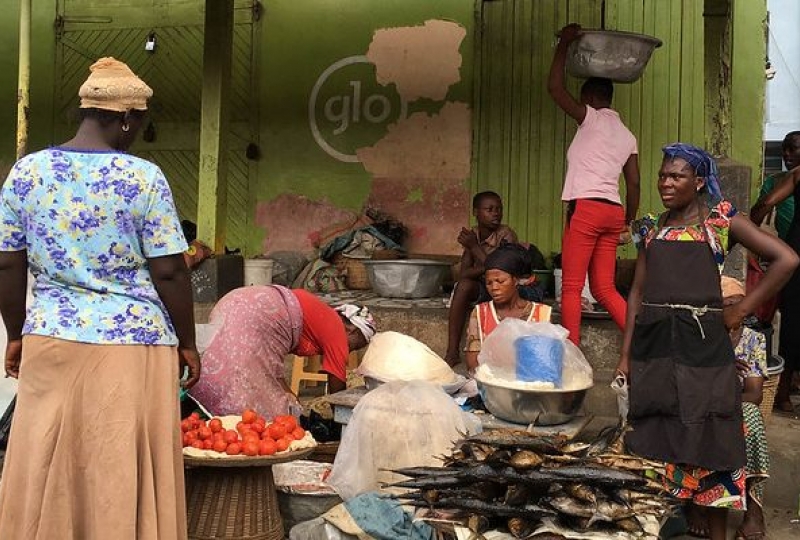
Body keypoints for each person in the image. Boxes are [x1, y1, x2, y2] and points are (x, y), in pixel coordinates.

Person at [0, 57, 200, 538]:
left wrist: (15, 333)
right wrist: (188, 342)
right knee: (118, 462)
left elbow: (7, 262)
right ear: (127, 117)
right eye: (139, 125)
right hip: (133, 345)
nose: (137, 135)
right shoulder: (143, 178)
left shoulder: (27, 172)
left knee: (48, 459)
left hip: (51, 335)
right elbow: (170, 270)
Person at [618, 143, 798, 540]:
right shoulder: (650, 227)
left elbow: (787, 259)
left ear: (698, 182)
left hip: (703, 348)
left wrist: (740, 309)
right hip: (655, 346)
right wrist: (626, 354)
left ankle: (719, 530)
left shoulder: (722, 221)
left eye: (676, 176)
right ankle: (664, 520)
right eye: (663, 175)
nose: (666, 182)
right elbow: (637, 293)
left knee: (712, 437)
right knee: (657, 433)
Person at [548, 23, 640, 346]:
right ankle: (640, 342)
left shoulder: (590, 118)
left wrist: (564, 44)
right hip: (612, 213)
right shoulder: (628, 136)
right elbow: (635, 183)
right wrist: (628, 220)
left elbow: (555, 89)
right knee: (604, 288)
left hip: (586, 209)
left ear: (589, 98)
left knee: (572, 287)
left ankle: (571, 353)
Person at [190, 285, 375, 419]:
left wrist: (289, 395)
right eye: (355, 346)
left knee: (236, 375)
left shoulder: (319, 320)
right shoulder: (336, 328)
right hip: (255, 314)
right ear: (352, 330)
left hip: (236, 302)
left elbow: (273, 368)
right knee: (249, 395)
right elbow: (337, 387)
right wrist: (342, 421)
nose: (349, 350)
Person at [445, 191, 519, 364]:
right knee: (463, 286)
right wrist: (485, 266)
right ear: (476, 212)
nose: (496, 213)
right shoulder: (474, 233)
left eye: (499, 209)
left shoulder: (506, 234)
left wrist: (474, 247)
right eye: (490, 209)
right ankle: (452, 352)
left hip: (503, 289)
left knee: (489, 279)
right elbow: (463, 273)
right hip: (482, 287)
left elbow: (501, 271)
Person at [751, 164, 800, 413]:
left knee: (793, 323)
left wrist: (750, 236)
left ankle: (782, 394)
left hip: (796, 251)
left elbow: (766, 203)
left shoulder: (797, 174)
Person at [464, 244, 552, 374]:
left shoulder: (541, 314)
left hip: (529, 386)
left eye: (500, 281)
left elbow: (545, 363)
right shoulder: (480, 313)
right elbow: (473, 365)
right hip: (490, 385)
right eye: (489, 283)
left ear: (515, 280)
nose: (494, 287)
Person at [758, 131, 799, 241]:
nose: (786, 153)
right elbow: (760, 210)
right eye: (784, 149)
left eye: (792, 149)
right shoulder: (774, 181)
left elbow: (765, 204)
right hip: (789, 248)